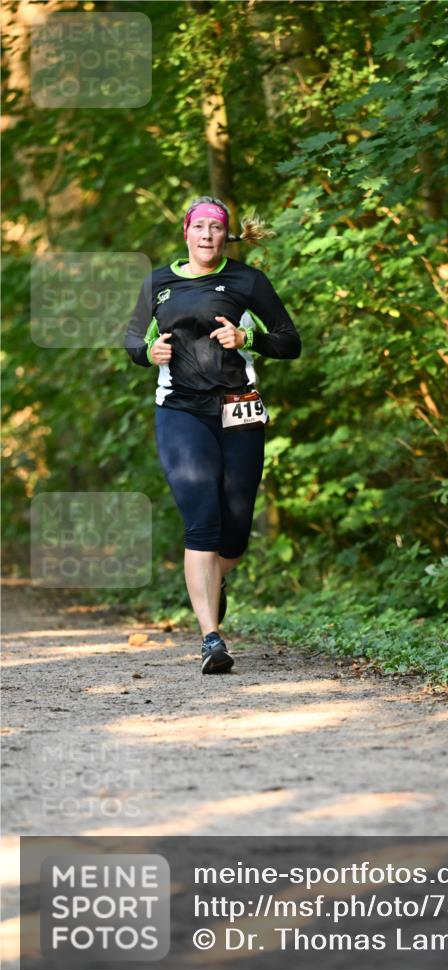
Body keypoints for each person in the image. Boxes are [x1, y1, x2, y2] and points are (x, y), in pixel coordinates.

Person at [124, 196, 301, 674]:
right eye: (199, 227)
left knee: (235, 531)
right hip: (181, 411)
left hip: (238, 409)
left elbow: (290, 341)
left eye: (216, 228)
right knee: (201, 519)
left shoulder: (248, 281)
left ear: (226, 235)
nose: (207, 235)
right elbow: (131, 340)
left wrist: (250, 340)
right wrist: (149, 353)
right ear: (186, 232)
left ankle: (214, 582)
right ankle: (211, 638)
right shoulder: (158, 282)